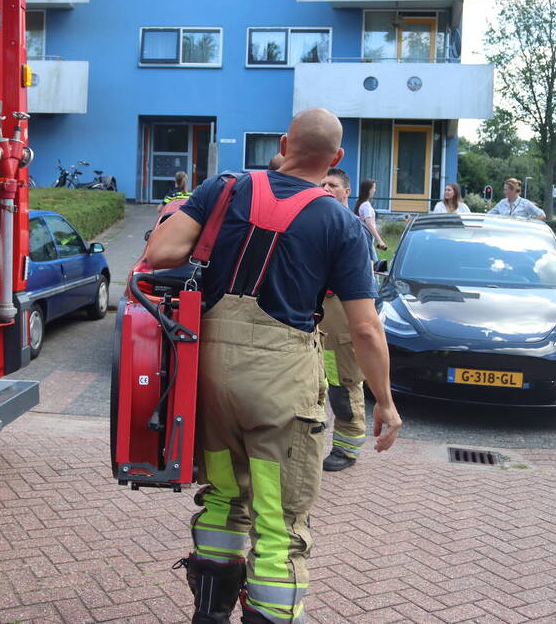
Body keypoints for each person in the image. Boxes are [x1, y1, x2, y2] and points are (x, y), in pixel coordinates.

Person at [145, 108, 402, 623]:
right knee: (278, 517)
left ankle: (210, 612)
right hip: (281, 388)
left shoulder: (225, 187)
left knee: (222, 496)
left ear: (284, 143)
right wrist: (387, 403)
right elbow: (366, 329)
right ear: (336, 158)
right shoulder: (341, 223)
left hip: (211, 378)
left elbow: (161, 252)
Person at [317, 168, 375, 473]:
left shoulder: (354, 227)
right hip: (315, 314)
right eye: (322, 183)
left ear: (346, 192)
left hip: (340, 312)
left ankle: (346, 448)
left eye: (333, 185)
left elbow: (363, 284)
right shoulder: (313, 220)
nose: (326, 188)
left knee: (343, 383)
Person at [353, 178, 389, 251]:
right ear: (369, 190)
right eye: (374, 188)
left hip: (364, 237)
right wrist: (380, 241)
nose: (375, 190)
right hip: (367, 237)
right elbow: (369, 224)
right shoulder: (366, 205)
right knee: (373, 261)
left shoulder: (360, 203)